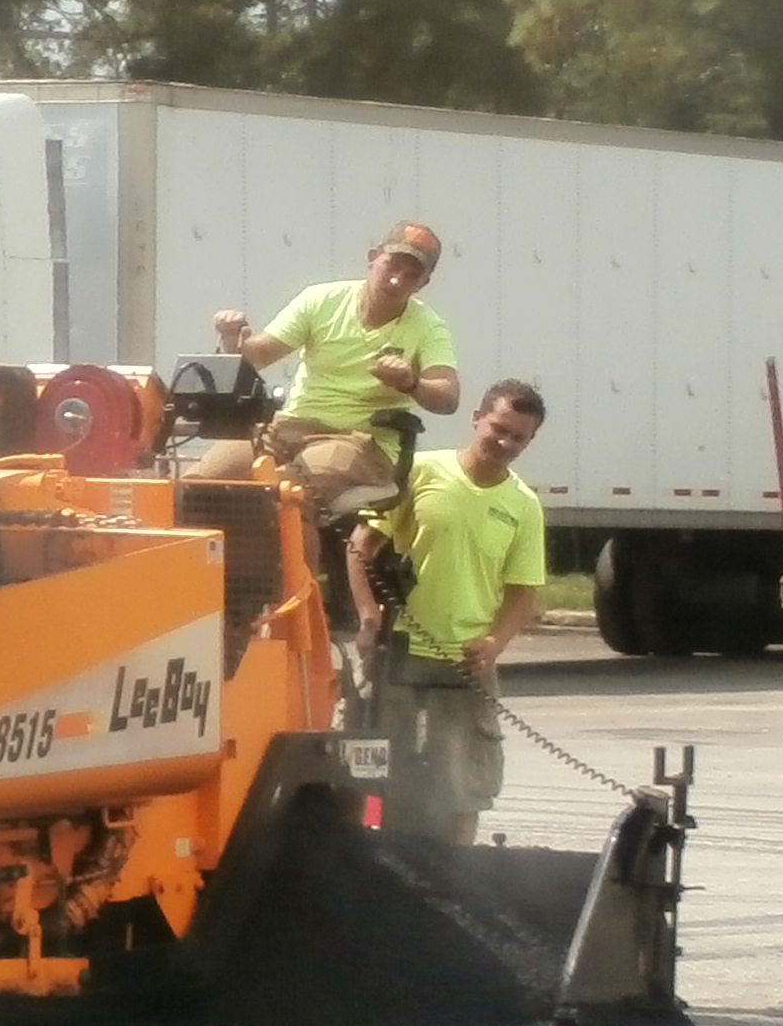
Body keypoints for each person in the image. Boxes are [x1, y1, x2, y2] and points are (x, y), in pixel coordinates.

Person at [344, 377, 548, 849]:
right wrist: (369, 616)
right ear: (476, 418)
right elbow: (361, 548)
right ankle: (382, 871)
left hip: (465, 663)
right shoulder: (420, 471)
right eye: (498, 428)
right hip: (398, 652)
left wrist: (495, 643)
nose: (504, 442)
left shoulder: (523, 506)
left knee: (465, 788)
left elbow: (523, 592)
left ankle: (458, 876)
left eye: (518, 437)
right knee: (379, 779)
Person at [214, 222, 461, 516]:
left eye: (411, 275)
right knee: (198, 485)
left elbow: (448, 397)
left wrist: (410, 382)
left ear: (423, 284)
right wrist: (232, 341)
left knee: (286, 496)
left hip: (362, 442)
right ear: (372, 257)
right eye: (392, 266)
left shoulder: (429, 327)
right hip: (290, 426)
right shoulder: (320, 300)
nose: (397, 280)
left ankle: (296, 564)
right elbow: (258, 356)